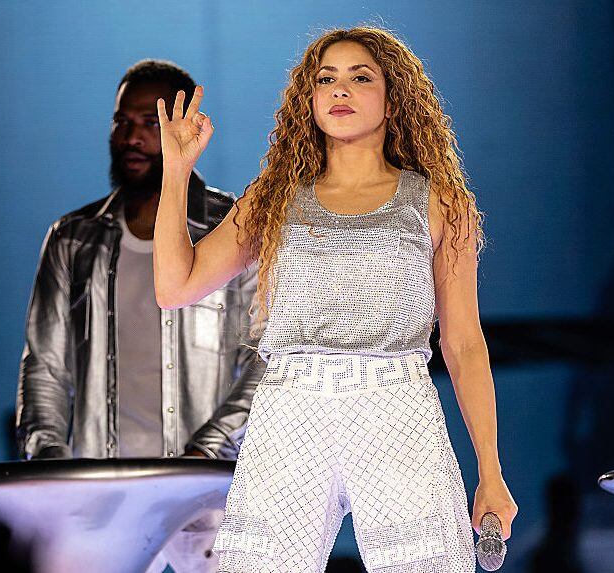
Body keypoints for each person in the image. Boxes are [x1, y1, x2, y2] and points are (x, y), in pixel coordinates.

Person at [152, 27, 518, 572]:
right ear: (310, 99)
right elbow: (175, 287)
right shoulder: (274, 199)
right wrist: (177, 170)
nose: (340, 90)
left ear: (393, 99)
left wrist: (490, 470)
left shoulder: (439, 202)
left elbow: (463, 343)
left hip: (396, 408)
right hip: (291, 408)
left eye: (360, 77)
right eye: (326, 80)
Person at [14, 59, 265, 573]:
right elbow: (44, 367)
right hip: (101, 496)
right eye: (121, 122)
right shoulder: (74, 238)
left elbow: (271, 360)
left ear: (188, 129)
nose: (132, 137)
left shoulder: (235, 228)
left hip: (211, 493)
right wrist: (51, 469)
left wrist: (208, 453)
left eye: (151, 122)